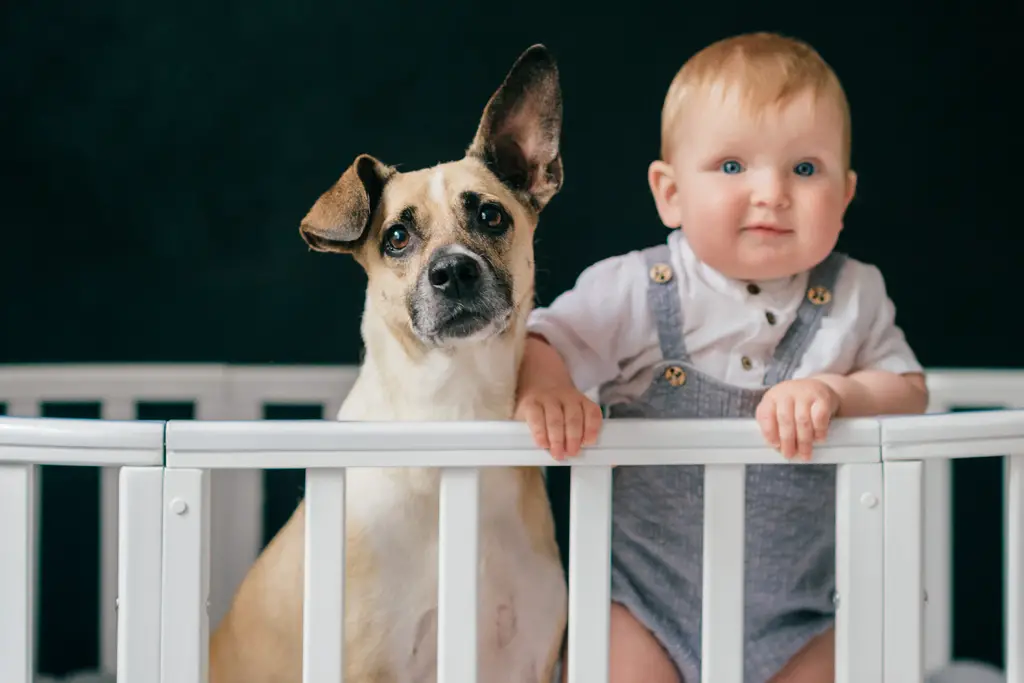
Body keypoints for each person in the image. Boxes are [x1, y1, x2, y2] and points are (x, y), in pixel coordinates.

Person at [516, 32, 929, 683]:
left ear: (845, 198)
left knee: (860, 661)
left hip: (799, 618)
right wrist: (549, 391)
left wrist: (838, 391)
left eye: (805, 169)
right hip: (646, 608)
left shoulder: (853, 294)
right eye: (733, 166)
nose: (772, 191)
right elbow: (545, 340)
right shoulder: (634, 287)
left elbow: (909, 390)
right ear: (671, 193)